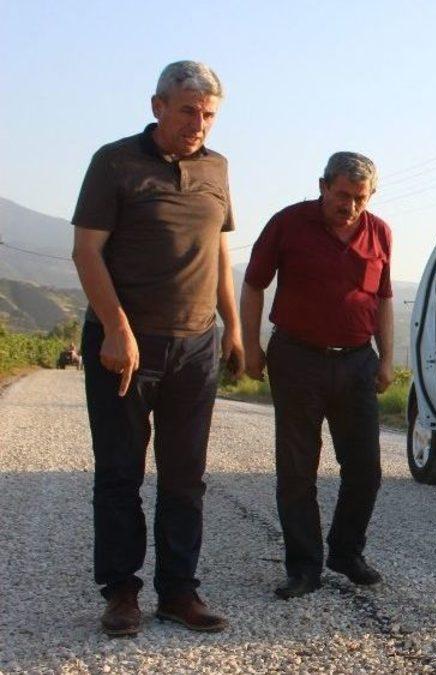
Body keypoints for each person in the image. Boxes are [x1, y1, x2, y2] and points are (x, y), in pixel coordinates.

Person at [71, 60, 243, 637]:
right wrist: (115, 328)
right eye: (189, 110)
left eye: (209, 114)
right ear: (158, 106)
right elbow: (86, 251)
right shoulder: (114, 162)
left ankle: (179, 592)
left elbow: (219, 251)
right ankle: (121, 592)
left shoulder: (218, 168)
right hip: (125, 345)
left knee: (185, 477)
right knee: (120, 472)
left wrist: (233, 327)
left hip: (196, 346)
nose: (199, 123)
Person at [240, 152, 394, 600]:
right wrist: (250, 346)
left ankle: (346, 552)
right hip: (297, 359)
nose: (350, 206)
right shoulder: (288, 223)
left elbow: (384, 298)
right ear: (323, 186)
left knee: (365, 470)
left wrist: (386, 358)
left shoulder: (380, 232)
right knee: (297, 470)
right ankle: (304, 567)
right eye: (342, 194)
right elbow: (253, 284)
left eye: (360, 198)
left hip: (357, 362)